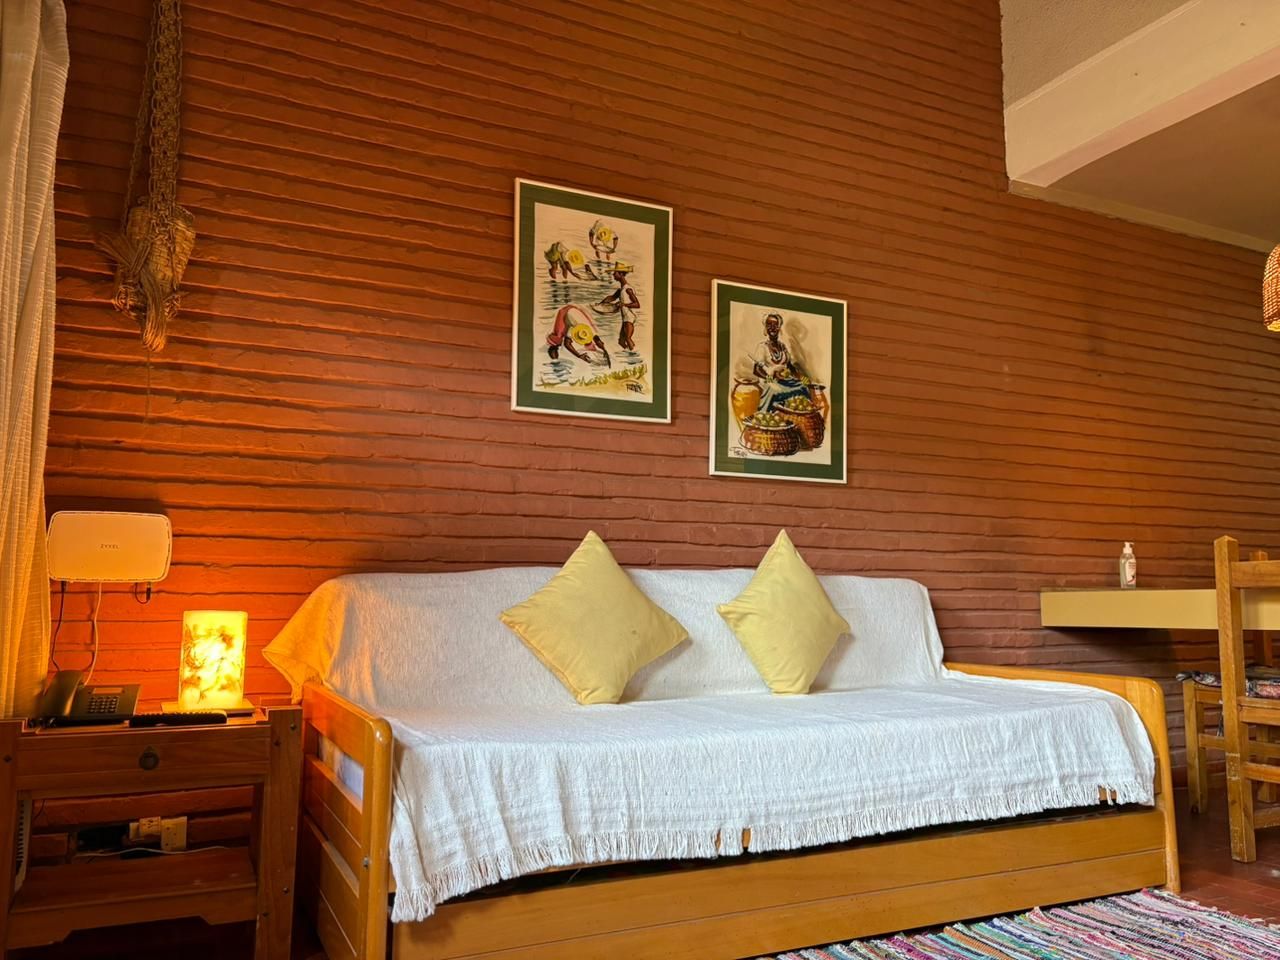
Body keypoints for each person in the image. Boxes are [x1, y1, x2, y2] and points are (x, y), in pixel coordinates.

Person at [749, 313, 811, 412]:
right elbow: (756, 370)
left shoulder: (782, 346)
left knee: (803, 387)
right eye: (769, 324)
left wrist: (801, 377)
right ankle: (768, 414)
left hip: (784, 380)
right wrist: (771, 377)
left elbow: (789, 366)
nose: (772, 328)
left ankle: (797, 413)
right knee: (775, 390)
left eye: (775, 325)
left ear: (779, 327)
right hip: (768, 380)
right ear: (765, 328)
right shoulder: (762, 347)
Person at [546, 303, 611, 367]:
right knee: (557, 339)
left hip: (574, 313)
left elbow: (598, 340)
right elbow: (567, 344)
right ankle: (554, 360)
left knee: (563, 336)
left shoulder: (590, 330)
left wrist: (604, 350)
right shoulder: (575, 328)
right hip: (565, 313)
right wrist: (579, 356)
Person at [597, 263, 640, 349]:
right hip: (625, 318)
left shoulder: (628, 289)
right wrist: (600, 304)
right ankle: (630, 352)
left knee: (627, 338)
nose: (613, 275)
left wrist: (623, 304)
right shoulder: (621, 290)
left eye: (615, 273)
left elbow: (637, 304)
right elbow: (611, 298)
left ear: (621, 274)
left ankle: (634, 352)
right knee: (621, 342)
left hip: (629, 318)